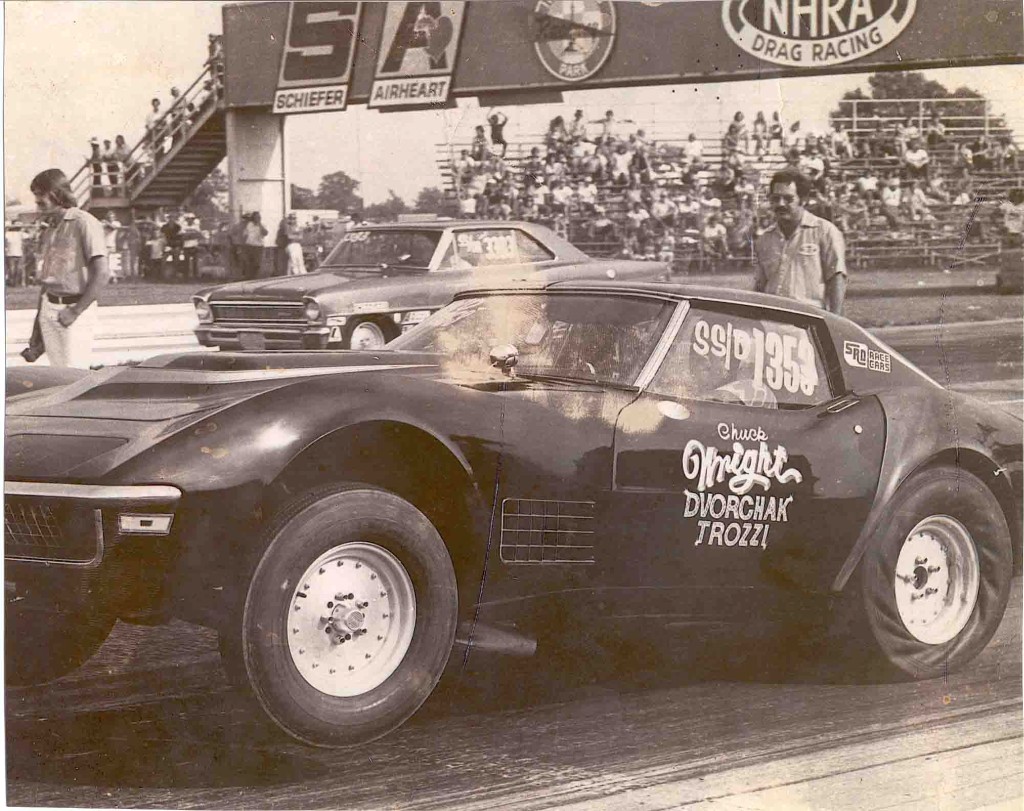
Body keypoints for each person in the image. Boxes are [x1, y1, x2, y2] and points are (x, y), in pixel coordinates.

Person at [28, 168, 109, 368]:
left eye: (40, 195)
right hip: (49, 308)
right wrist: (37, 325)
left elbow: (102, 273)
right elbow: (48, 280)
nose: (37, 202)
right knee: (57, 376)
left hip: (74, 310)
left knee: (74, 375)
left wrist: (75, 311)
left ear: (57, 194)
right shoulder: (50, 228)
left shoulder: (84, 222)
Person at [753, 168, 847, 314]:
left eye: (788, 198)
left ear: (803, 199)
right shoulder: (764, 239)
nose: (781, 204)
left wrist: (836, 320)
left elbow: (837, 278)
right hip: (772, 319)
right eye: (776, 198)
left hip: (809, 318)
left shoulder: (825, 231)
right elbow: (760, 286)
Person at [242, 211, 268, 279]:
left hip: (258, 246)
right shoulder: (249, 224)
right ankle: (249, 278)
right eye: (256, 217)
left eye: (259, 217)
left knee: (257, 263)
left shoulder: (262, 225)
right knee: (249, 263)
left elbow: (265, 233)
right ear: (253, 218)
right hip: (249, 246)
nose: (258, 218)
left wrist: (260, 225)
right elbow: (244, 234)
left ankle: (255, 277)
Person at [5, 221, 26, 286]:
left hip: (13, 253)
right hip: (14, 254)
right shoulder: (19, 234)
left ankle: (14, 282)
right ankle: (13, 282)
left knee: (14, 269)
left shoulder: (9, 233)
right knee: (15, 269)